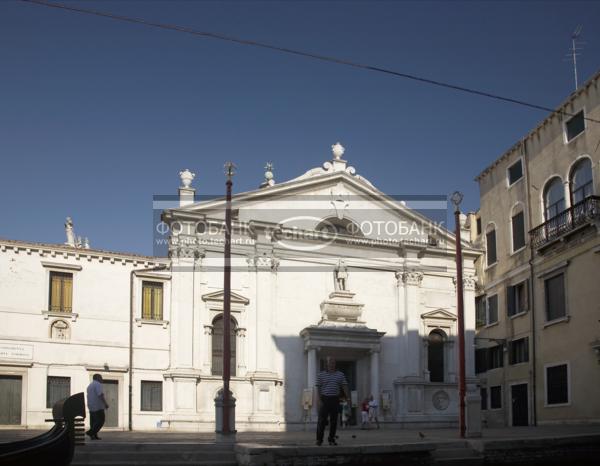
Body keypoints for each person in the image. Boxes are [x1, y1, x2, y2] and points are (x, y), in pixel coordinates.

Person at [315, 357, 349, 446]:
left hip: (335, 399)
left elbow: (344, 386)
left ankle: (331, 439)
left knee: (334, 421)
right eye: (330, 362)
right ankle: (319, 440)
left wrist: (347, 398)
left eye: (333, 362)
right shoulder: (321, 375)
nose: (331, 364)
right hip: (324, 399)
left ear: (335, 363)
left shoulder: (340, 375)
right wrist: (319, 399)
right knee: (321, 420)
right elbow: (318, 388)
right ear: (327, 363)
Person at [86, 374, 109, 440]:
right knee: (101, 420)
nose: (102, 379)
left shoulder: (90, 386)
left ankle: (94, 436)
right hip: (98, 406)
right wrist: (105, 404)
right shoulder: (98, 384)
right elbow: (100, 395)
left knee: (93, 422)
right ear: (97, 378)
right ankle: (90, 432)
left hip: (91, 406)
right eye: (101, 377)